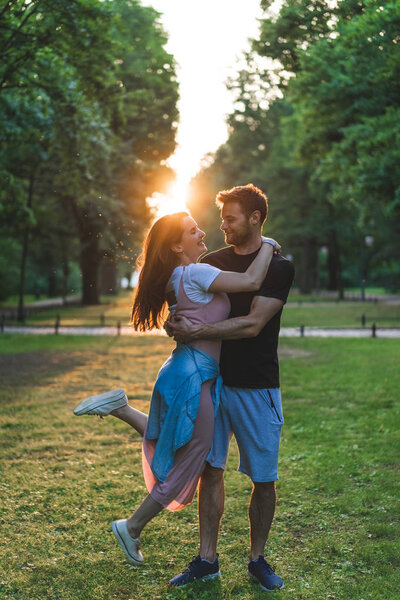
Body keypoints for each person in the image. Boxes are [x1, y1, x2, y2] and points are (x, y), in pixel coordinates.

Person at [73, 209, 279, 570]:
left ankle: (121, 407)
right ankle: (132, 526)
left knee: (172, 438)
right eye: (192, 230)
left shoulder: (175, 277)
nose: (202, 233)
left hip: (180, 370)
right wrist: (269, 245)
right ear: (175, 245)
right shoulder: (196, 272)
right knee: (191, 458)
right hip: (195, 377)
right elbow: (250, 282)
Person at [166, 184, 295, 592]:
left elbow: (254, 323)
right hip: (214, 382)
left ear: (255, 218)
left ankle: (257, 559)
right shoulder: (212, 261)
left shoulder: (278, 266)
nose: (222, 225)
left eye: (231, 218)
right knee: (211, 470)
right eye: (222, 218)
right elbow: (187, 306)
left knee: (264, 478)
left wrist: (198, 330)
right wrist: (176, 322)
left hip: (258, 385)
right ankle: (207, 559)